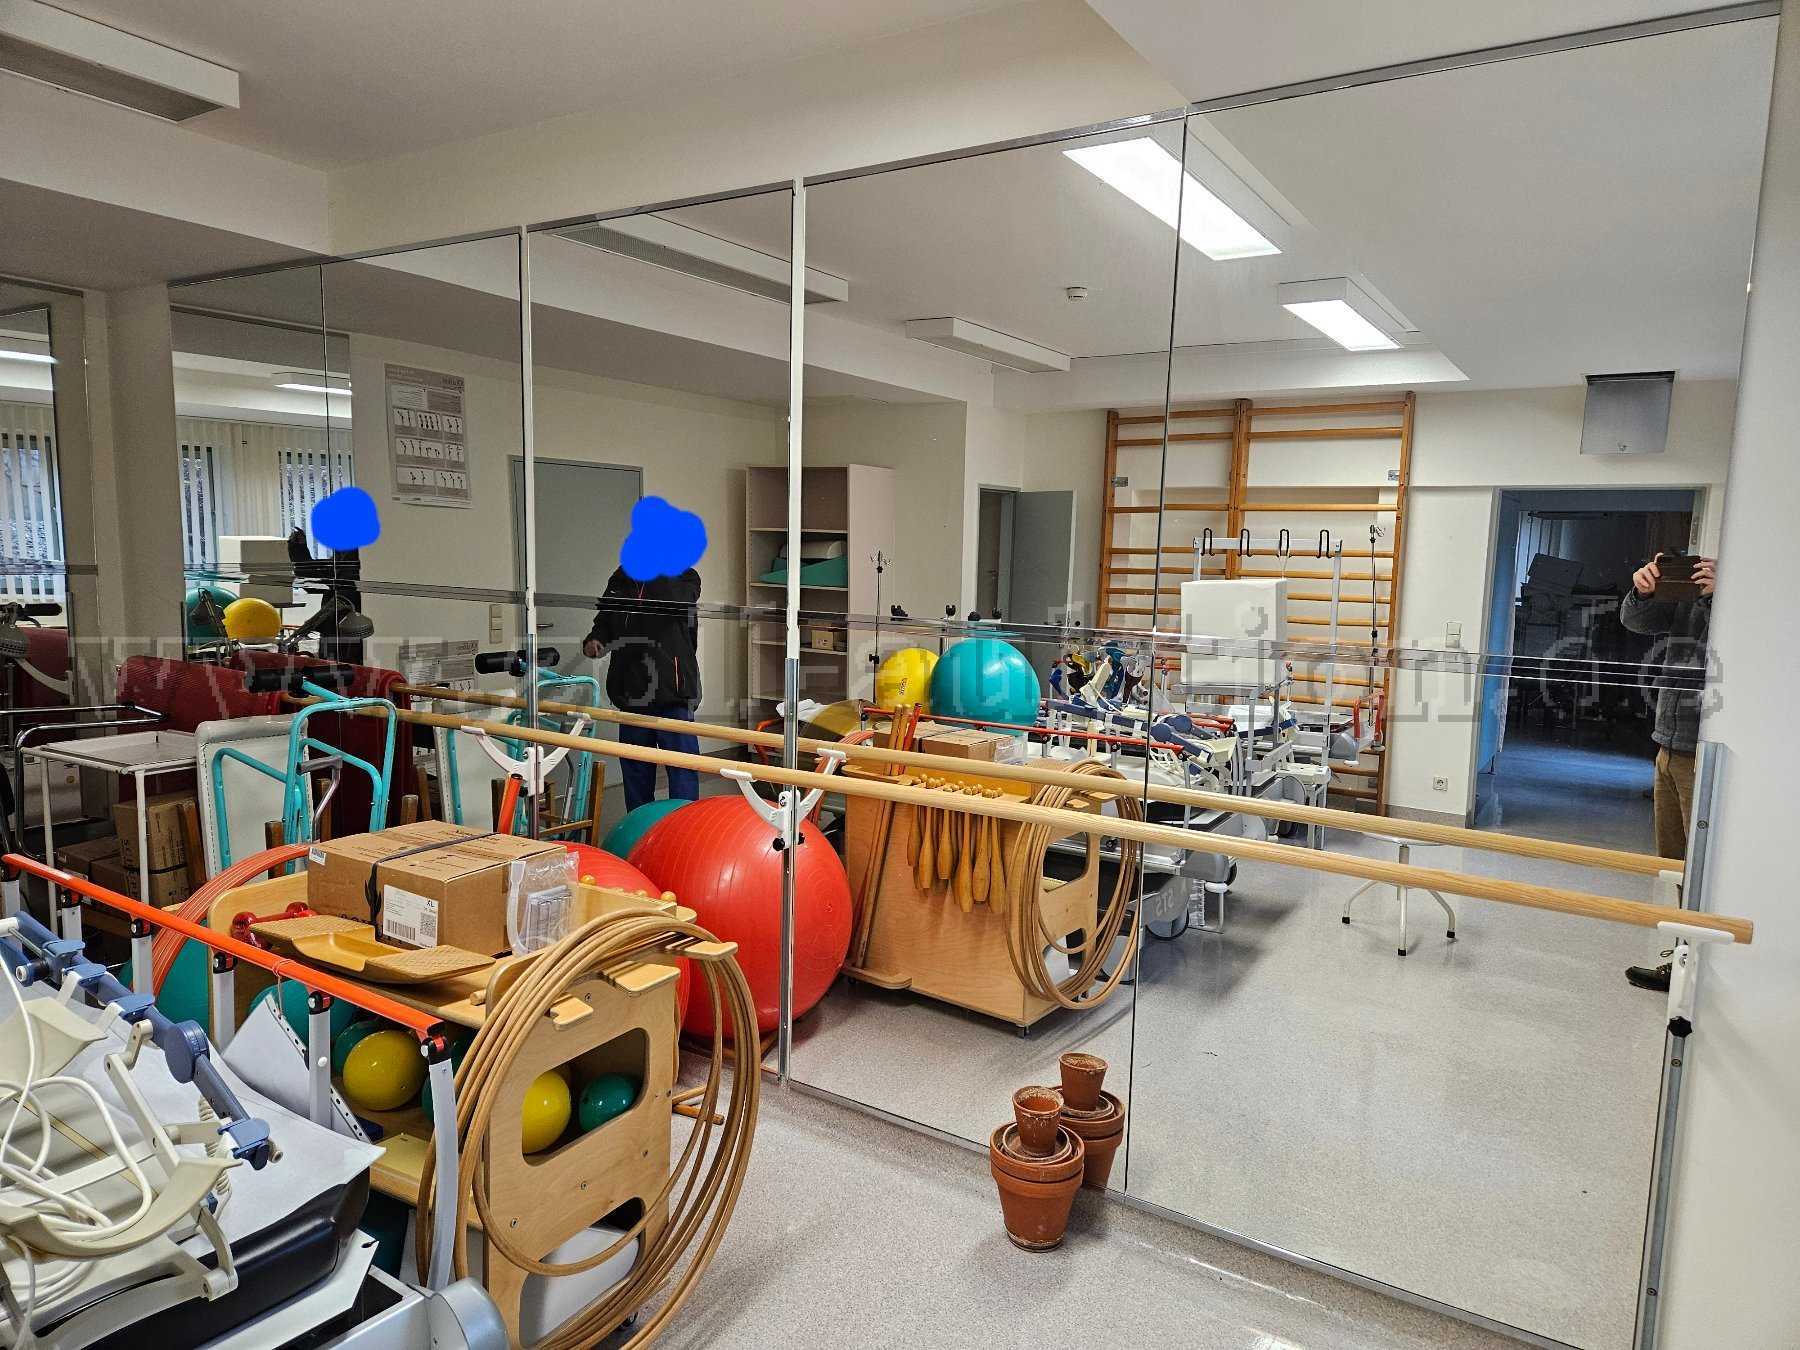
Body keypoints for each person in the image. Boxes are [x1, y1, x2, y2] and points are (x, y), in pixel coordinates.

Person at [1618, 551, 1715, 990]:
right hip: (1669, 744)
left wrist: (1721, 597)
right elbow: (1636, 622)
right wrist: (1642, 591)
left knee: (1705, 870)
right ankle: (1682, 961)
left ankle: (1704, 973)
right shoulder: (1686, 598)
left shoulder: (1742, 601)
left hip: (1707, 750)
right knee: (1675, 865)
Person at [583, 563, 702, 813]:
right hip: (631, 693)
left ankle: (684, 825)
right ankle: (639, 827)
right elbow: (605, 618)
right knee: (636, 773)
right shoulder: (621, 577)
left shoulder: (684, 575)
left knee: (682, 770)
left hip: (673, 693)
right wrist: (596, 639)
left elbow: (676, 603)